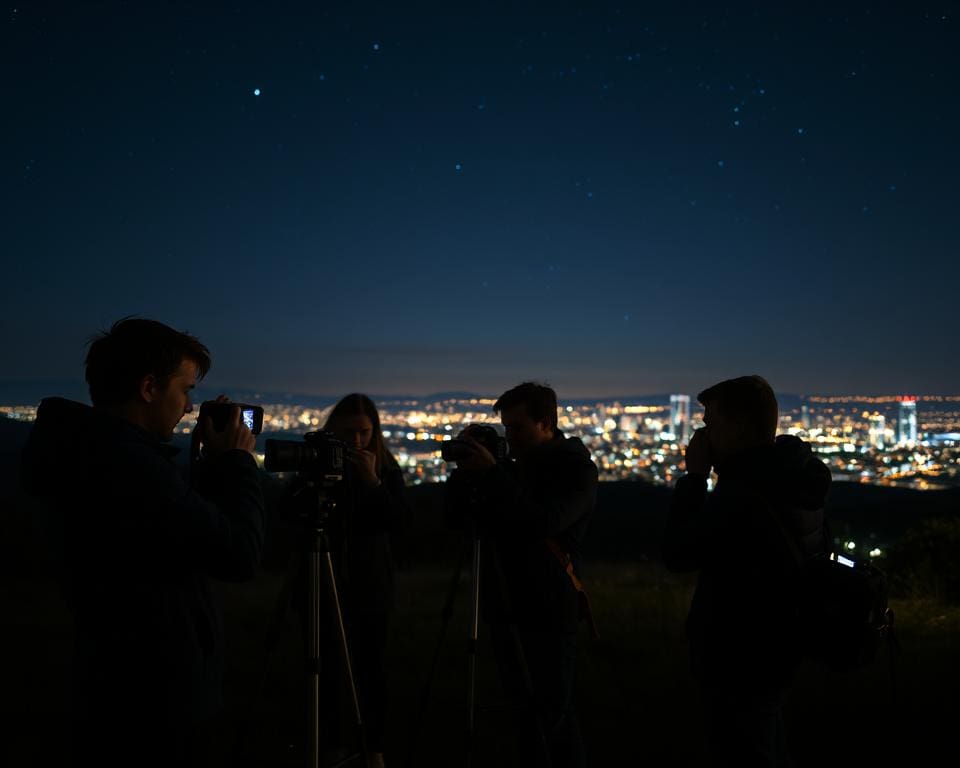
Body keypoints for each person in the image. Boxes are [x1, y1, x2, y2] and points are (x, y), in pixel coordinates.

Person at [20, 317, 264, 768]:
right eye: (185, 389)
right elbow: (238, 553)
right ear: (149, 387)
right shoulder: (126, 467)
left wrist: (208, 467)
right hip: (156, 697)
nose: (191, 407)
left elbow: (182, 529)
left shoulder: (90, 451)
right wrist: (239, 466)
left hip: (117, 683)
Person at [662, 375, 830, 767]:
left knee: (743, 749)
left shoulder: (742, 492)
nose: (703, 435)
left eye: (710, 424)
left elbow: (678, 553)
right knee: (765, 740)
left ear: (737, 427)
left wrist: (695, 478)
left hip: (738, 652)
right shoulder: (795, 473)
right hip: (780, 642)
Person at [444, 382, 596, 768]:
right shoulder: (513, 466)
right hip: (506, 599)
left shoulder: (575, 467)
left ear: (546, 422)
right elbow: (455, 520)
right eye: (505, 428)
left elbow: (542, 521)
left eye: (517, 428)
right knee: (522, 711)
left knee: (553, 713)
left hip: (548, 605)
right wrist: (467, 473)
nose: (508, 437)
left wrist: (494, 475)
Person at [282, 394, 409, 768]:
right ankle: (330, 741)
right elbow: (289, 510)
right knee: (323, 666)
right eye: (349, 432)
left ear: (376, 432)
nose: (356, 441)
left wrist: (371, 481)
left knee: (371, 669)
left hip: (370, 583)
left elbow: (399, 520)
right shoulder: (316, 465)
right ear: (333, 429)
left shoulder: (385, 466)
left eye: (365, 433)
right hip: (321, 578)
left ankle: (374, 746)